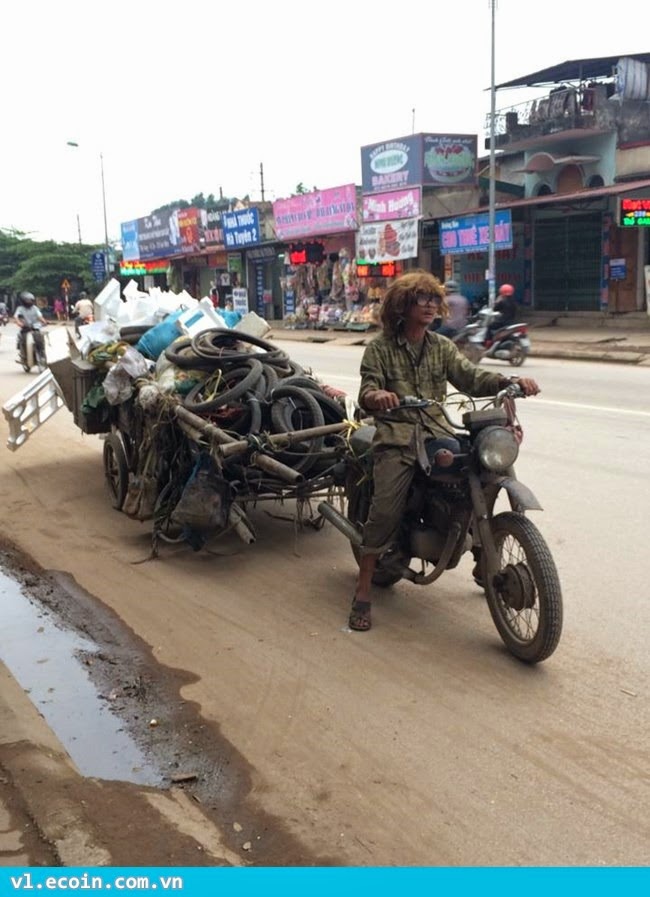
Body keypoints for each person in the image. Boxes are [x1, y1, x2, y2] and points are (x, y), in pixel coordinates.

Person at [348, 270, 540, 632]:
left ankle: (484, 557)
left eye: (434, 300)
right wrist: (379, 396)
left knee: (481, 472)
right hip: (398, 434)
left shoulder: (441, 346)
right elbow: (368, 389)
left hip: (437, 428)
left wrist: (509, 382)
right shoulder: (380, 348)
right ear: (403, 306)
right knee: (386, 508)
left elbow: (470, 376)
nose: (431, 306)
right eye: (422, 300)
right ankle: (362, 592)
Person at [14, 291, 46, 362]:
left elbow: (40, 316)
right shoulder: (20, 308)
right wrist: (19, 323)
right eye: (27, 300)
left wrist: (44, 321)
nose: (29, 302)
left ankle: (41, 353)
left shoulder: (35, 308)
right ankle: (24, 356)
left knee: (40, 339)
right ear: (23, 301)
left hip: (35, 328)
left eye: (30, 300)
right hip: (25, 328)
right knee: (23, 340)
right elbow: (16, 317)